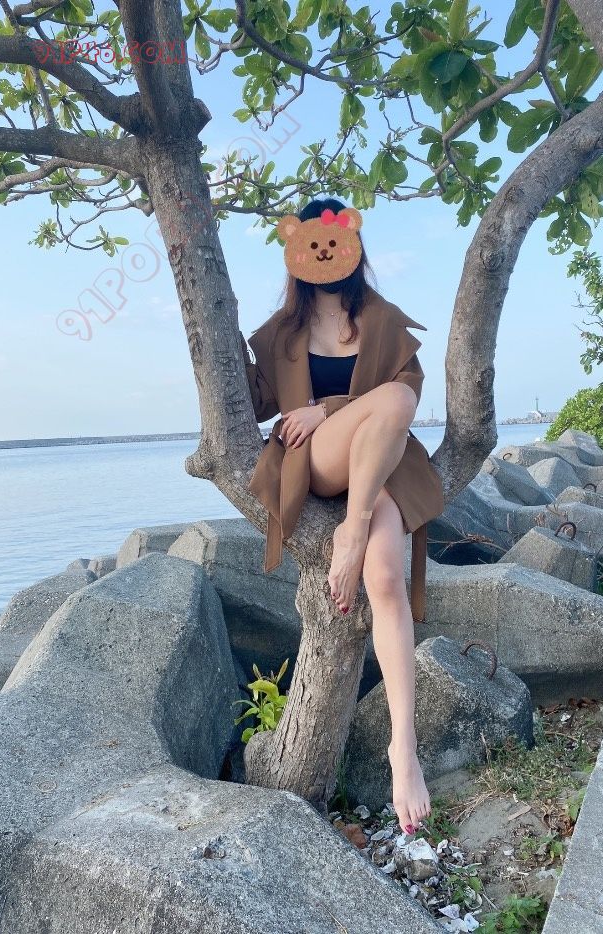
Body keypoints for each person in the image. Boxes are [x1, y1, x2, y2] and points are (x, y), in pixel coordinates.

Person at [239, 197, 444, 836]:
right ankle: (352, 528)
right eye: (313, 244)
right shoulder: (281, 332)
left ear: (352, 247)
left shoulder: (380, 319)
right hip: (321, 462)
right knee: (389, 399)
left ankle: (403, 749)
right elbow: (253, 401)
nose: (325, 254)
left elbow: (408, 398)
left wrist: (326, 407)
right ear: (297, 252)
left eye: (336, 242)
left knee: (384, 580)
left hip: (378, 467)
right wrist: (214, 343)